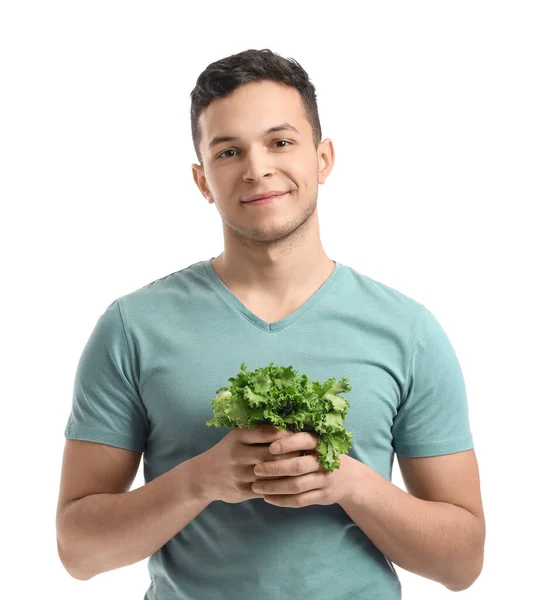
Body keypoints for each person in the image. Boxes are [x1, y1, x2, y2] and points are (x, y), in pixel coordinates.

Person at [56, 48, 485, 599]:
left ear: (323, 158)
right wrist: (201, 479)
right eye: (229, 151)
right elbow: (78, 553)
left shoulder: (408, 331)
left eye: (280, 142)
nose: (257, 169)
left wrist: (349, 482)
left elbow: (463, 563)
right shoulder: (132, 328)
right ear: (202, 179)